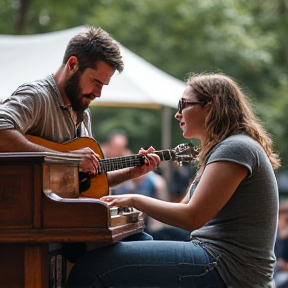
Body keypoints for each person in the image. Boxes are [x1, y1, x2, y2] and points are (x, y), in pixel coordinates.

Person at [67, 72, 281, 288]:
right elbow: (183, 210)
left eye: (183, 104)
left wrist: (133, 200)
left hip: (228, 267)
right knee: (132, 244)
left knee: (90, 269)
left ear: (210, 107)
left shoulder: (236, 148)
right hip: (219, 260)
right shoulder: (227, 149)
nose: (178, 115)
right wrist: (134, 173)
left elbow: (192, 218)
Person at [0, 26, 159, 188]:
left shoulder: (83, 113)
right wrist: (66, 158)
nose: (98, 93)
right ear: (73, 64)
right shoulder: (37, 96)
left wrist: (131, 173)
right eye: (95, 82)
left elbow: (86, 181)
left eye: (103, 85)